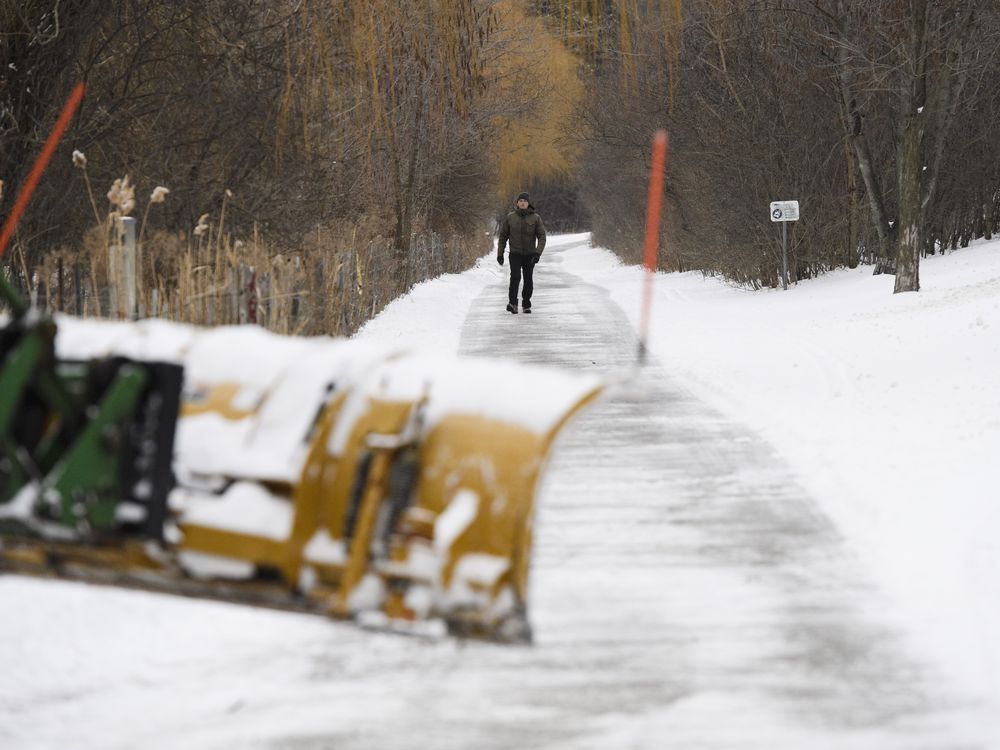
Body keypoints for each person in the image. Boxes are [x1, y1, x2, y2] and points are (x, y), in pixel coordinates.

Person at [497, 192, 546, 314]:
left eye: (525, 201)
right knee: (515, 277)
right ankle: (512, 303)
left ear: (528, 203)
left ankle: (526, 304)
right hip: (515, 254)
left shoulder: (536, 218)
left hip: (530, 255)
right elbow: (503, 236)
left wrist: (537, 253)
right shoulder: (510, 217)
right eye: (520, 201)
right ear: (517, 203)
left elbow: (542, 237)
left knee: (528, 279)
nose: (522, 202)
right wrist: (500, 254)